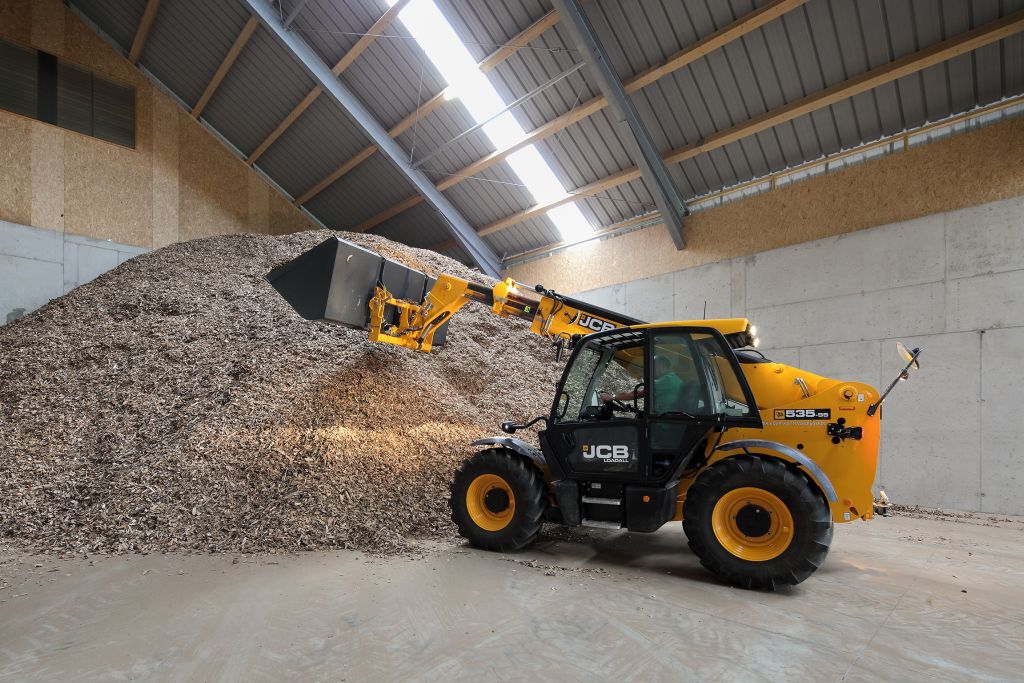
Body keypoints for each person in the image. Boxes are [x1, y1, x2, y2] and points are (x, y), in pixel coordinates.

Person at [599, 355, 685, 412]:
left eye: (653, 367)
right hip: (662, 419)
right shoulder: (673, 379)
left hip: (662, 424)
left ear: (662, 366)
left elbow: (637, 394)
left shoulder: (668, 380)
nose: (651, 370)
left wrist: (612, 397)